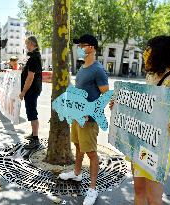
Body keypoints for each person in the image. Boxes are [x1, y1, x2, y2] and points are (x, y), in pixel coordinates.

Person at [110, 35, 170, 205]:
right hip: (139, 144)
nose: (145, 54)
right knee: (139, 191)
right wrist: (119, 105)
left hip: (157, 150)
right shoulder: (150, 77)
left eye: (149, 51)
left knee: (154, 198)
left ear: (159, 54)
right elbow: (139, 109)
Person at [58, 34, 109, 205]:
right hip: (77, 115)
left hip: (89, 120)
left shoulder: (98, 70)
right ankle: (77, 173)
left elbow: (105, 95)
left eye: (82, 45)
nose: (79, 48)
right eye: (78, 46)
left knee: (92, 153)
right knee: (78, 145)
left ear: (92, 48)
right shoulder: (82, 68)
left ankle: (93, 189)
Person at [19, 36, 42, 149]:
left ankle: (36, 139)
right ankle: (33, 134)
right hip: (32, 89)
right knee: (31, 111)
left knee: (32, 112)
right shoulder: (34, 56)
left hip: (31, 90)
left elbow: (30, 77)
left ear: (32, 43)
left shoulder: (34, 58)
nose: (26, 46)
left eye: (27, 43)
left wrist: (23, 91)